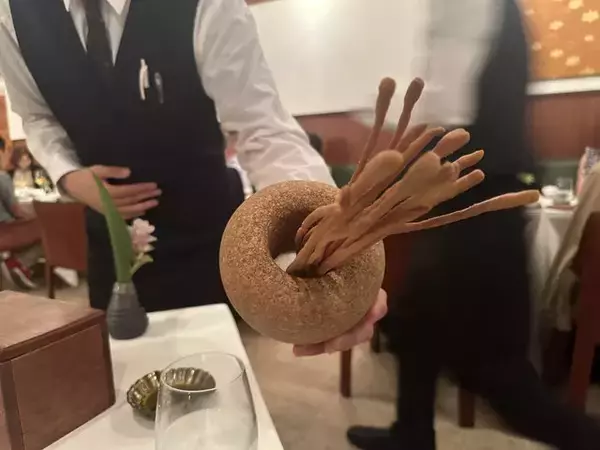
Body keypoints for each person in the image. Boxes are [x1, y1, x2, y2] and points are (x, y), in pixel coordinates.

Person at [0, 0, 385, 355]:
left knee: (213, 378)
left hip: (206, 241)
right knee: (123, 376)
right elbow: (37, 116)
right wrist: (67, 175)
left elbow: (261, 125)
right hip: (113, 249)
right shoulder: (11, 13)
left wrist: (323, 237)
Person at [348, 0, 600, 449]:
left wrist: (372, 106)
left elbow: (445, 104)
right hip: (465, 194)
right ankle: (412, 434)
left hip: (479, 199)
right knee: (415, 326)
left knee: (501, 378)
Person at [0, 138, 39, 289]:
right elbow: (15, 209)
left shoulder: (35, 172)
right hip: (6, 231)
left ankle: (10, 259)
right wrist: (31, 217)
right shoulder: (3, 176)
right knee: (47, 229)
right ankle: (19, 263)